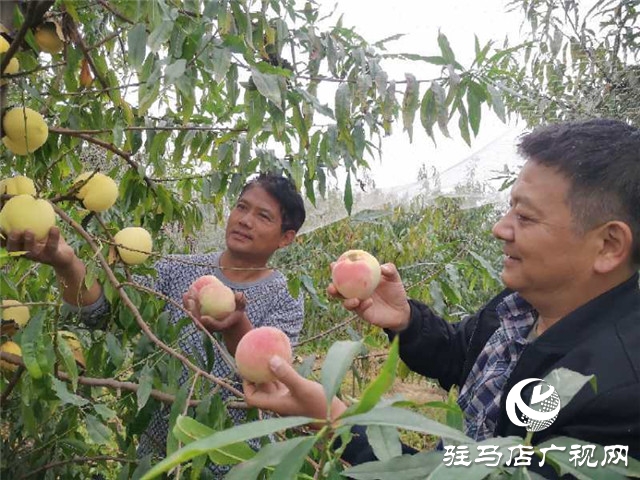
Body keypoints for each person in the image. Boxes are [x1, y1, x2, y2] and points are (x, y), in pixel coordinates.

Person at [244, 119, 640, 474]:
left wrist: (336, 421)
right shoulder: (520, 308)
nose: (500, 229)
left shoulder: (615, 398)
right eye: (509, 209)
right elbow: (463, 356)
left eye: (525, 216)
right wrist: (405, 320)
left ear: (608, 245)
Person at [4, 172, 307, 476]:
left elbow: (271, 377)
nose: (245, 220)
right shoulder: (176, 269)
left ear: (286, 238)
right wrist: (66, 263)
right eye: (242, 207)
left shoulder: (285, 296)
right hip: (158, 457)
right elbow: (102, 311)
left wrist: (234, 325)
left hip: (238, 462)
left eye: (263, 216)